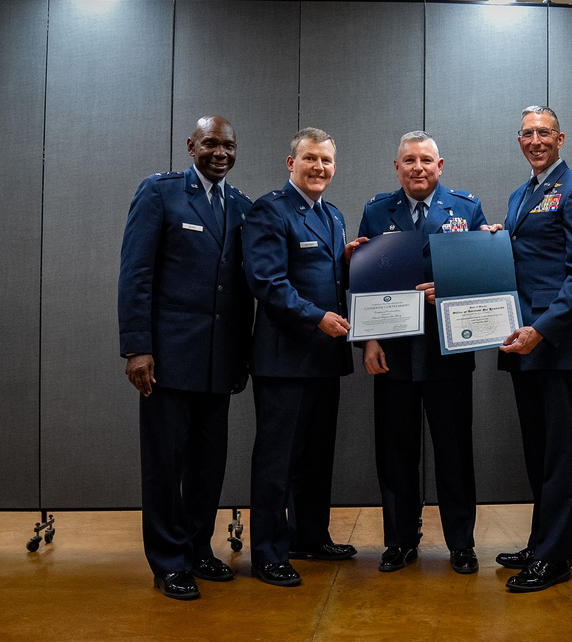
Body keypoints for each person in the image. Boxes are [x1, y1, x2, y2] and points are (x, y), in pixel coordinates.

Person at [118, 115, 254, 600]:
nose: (221, 153)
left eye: (229, 145)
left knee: (207, 465)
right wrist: (137, 347)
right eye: (211, 143)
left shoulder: (240, 205)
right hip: (168, 360)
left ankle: (198, 549)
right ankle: (168, 561)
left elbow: (241, 289)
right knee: (165, 465)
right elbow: (136, 272)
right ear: (191, 144)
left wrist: (241, 356)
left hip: (219, 362)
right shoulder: (160, 193)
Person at [357, 131, 499, 575]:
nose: (418, 168)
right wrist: (370, 341)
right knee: (395, 452)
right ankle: (400, 541)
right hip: (393, 352)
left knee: (454, 453)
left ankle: (461, 543)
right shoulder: (377, 210)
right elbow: (365, 284)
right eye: (409, 161)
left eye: (426, 160)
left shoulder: (467, 208)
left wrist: (474, 264)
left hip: (448, 351)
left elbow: (483, 279)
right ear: (396, 167)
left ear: (441, 166)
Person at [242, 127, 366, 587]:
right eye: (310, 159)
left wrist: (353, 260)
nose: (319, 168)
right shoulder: (270, 210)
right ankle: (268, 552)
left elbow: (330, 278)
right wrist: (316, 318)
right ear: (290, 162)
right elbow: (267, 282)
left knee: (316, 457)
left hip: (323, 359)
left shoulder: (333, 217)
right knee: (277, 460)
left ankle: (309, 536)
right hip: (284, 359)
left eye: (327, 161)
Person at [495, 105, 572, 592]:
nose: (535, 140)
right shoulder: (521, 195)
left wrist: (542, 328)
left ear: (562, 137)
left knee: (560, 451)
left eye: (544, 132)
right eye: (527, 133)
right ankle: (543, 540)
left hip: (553, 342)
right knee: (538, 449)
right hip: (522, 341)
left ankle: (556, 555)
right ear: (518, 140)